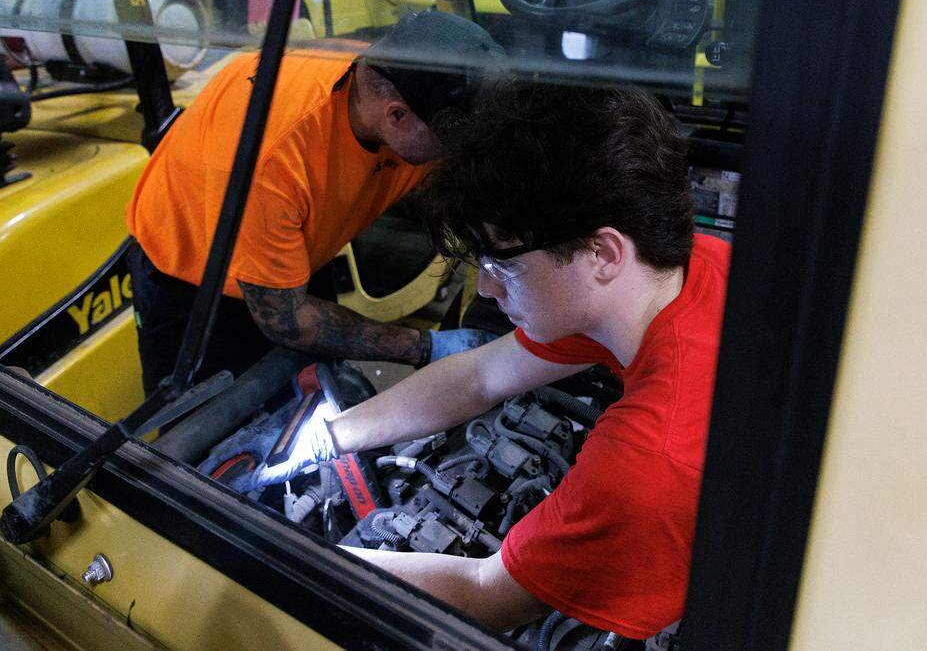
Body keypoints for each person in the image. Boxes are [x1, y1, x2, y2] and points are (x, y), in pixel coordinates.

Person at [252, 81, 731, 640]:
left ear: (601, 253)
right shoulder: (679, 269)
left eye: (504, 268)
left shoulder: (643, 463)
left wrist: (286, 548)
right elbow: (480, 376)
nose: (484, 291)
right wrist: (330, 437)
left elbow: (483, 593)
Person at [126, 11, 502, 396]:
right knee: (217, 437)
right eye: (450, 140)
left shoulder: (387, 77)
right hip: (197, 288)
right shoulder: (274, 159)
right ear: (397, 116)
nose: (456, 151)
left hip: (295, 253)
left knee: (314, 396)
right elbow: (289, 321)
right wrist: (423, 347)